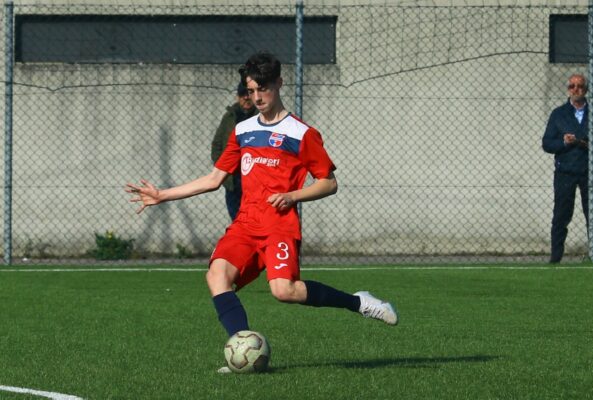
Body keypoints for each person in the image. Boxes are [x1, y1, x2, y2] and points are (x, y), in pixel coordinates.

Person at [126, 52, 397, 371]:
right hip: (245, 225)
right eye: (251, 91)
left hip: (280, 227)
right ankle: (243, 351)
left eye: (262, 89)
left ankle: (359, 302)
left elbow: (328, 183)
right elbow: (215, 179)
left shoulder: (301, 134)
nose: (257, 97)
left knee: (285, 291)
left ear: (279, 84)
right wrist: (162, 195)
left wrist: (293, 195)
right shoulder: (242, 131)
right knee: (217, 276)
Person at [542, 73, 593, 263]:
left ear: (586, 90)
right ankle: (555, 257)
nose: (576, 90)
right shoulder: (559, 114)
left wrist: (586, 143)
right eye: (572, 86)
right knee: (561, 215)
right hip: (565, 171)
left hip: (590, 172)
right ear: (568, 89)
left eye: (580, 86)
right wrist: (564, 143)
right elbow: (547, 143)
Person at [211, 82, 258, 220]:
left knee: (254, 219)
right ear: (237, 96)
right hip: (232, 180)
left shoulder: (261, 116)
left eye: (249, 94)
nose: (246, 98)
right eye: (242, 95)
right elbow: (217, 144)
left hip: (254, 179)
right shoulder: (230, 117)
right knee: (236, 219)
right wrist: (223, 169)